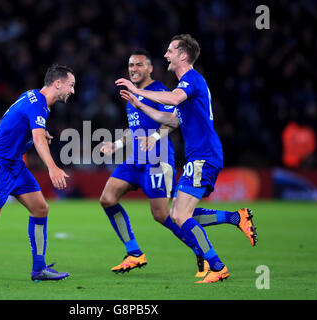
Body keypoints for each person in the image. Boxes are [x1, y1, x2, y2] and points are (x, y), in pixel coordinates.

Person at [102, 49, 255, 278]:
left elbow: (171, 122)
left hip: (158, 158)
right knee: (107, 198)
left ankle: (204, 251)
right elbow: (138, 129)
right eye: (131, 65)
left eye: (139, 65)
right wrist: (117, 144)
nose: (134, 69)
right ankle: (134, 252)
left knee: (166, 214)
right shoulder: (132, 100)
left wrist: (153, 137)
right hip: (135, 159)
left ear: (150, 68)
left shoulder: (164, 90)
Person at [0, 64, 75, 285]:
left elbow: (15, 124)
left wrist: (35, 135)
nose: (73, 91)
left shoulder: (32, 97)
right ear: (58, 83)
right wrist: (52, 166)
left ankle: (39, 268)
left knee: (40, 208)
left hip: (15, 165)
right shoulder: (39, 105)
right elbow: (37, 140)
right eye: (71, 85)